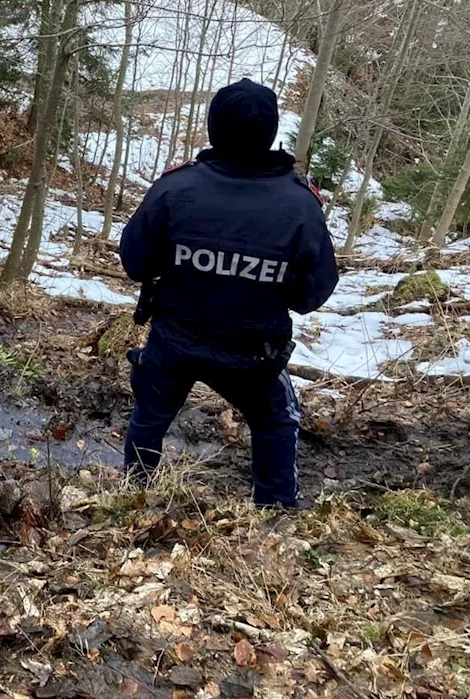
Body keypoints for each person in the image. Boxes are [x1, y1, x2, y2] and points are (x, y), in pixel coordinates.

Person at [118, 78, 338, 509]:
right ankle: (275, 518)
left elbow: (134, 262)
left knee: (149, 417)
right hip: (252, 352)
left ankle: (131, 501)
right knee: (276, 422)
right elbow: (313, 294)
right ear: (271, 132)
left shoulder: (174, 188)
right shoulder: (300, 205)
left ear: (213, 127)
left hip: (176, 338)